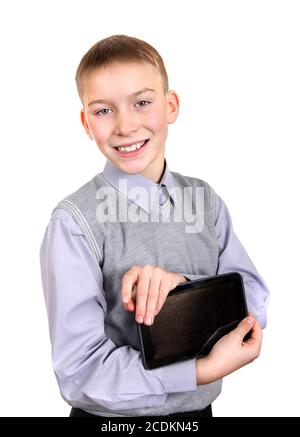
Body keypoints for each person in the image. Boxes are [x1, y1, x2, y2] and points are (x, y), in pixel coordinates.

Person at [40, 34, 269, 418]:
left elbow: (255, 303)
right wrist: (197, 372)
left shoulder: (206, 202)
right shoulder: (73, 224)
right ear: (85, 122)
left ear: (171, 106)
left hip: (199, 416)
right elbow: (80, 373)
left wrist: (182, 287)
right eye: (103, 111)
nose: (125, 125)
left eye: (142, 103)